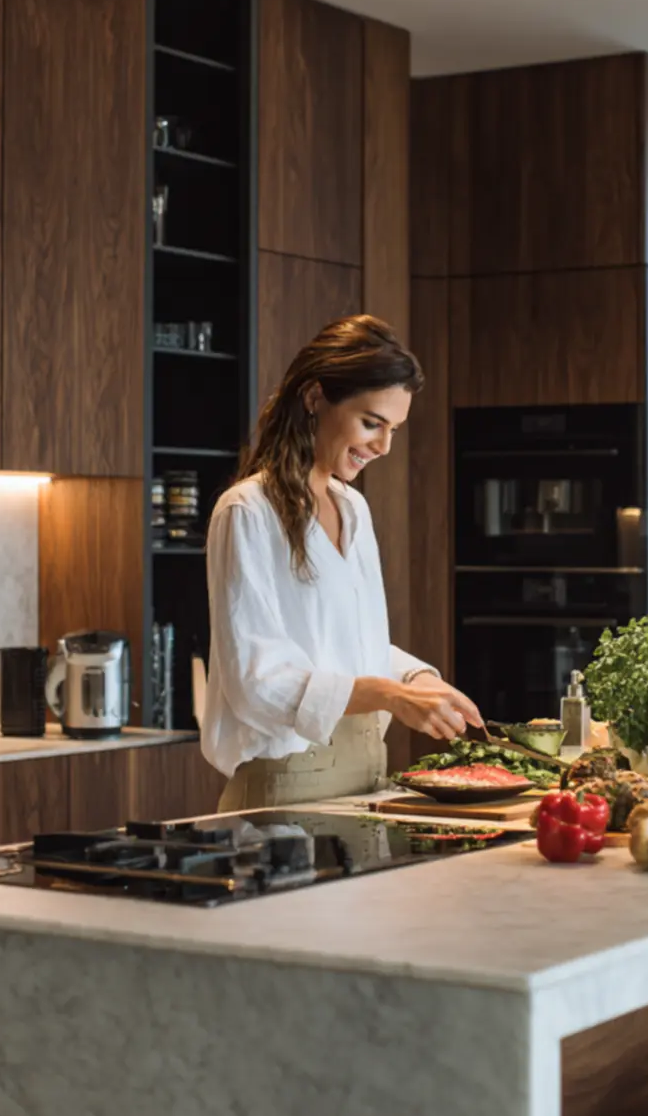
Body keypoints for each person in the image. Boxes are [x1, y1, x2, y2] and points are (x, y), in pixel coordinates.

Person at [201, 315, 484, 811]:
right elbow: (257, 682)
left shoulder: (352, 507)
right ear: (314, 398)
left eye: (393, 428)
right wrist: (388, 696)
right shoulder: (247, 511)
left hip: (365, 778)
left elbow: (347, 644)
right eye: (372, 423)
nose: (384, 446)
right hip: (283, 791)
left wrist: (416, 679)